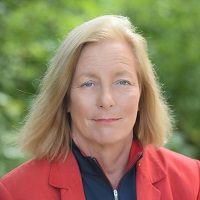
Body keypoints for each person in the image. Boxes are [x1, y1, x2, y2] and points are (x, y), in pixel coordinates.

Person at [0, 15, 199, 200]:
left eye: (122, 82)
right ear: (65, 98)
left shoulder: (193, 181)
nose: (106, 100)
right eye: (88, 84)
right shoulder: (15, 191)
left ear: (142, 94)